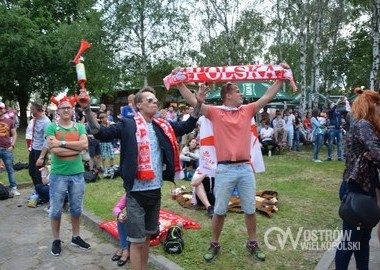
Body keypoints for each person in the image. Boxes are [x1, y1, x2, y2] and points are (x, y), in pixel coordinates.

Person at [176, 63, 291, 263]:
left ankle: (252, 242)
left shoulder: (246, 110)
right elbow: (193, 100)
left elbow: (267, 97)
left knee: (250, 209)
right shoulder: (215, 112)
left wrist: (281, 77)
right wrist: (179, 84)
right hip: (225, 169)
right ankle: (214, 244)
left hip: (245, 168)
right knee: (219, 210)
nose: (241, 95)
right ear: (227, 95)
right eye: (237, 91)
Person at [79, 86, 203, 270]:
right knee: (136, 242)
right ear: (139, 105)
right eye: (150, 100)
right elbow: (100, 133)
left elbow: (187, 125)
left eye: (155, 100)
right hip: (136, 193)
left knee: (146, 238)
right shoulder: (128, 125)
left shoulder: (162, 126)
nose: (155, 103)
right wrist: (87, 109)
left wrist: (199, 102)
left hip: (155, 191)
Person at [335, 88, 380, 270]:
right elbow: (378, 154)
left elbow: (375, 154)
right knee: (350, 242)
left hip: (364, 188)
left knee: (362, 241)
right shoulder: (364, 126)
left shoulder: (368, 127)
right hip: (356, 187)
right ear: (372, 105)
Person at [46, 96, 90, 256]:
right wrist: (77, 149)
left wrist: (62, 143)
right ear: (57, 111)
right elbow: (54, 151)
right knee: (56, 210)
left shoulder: (79, 127)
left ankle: (76, 237)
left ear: (73, 110)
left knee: (76, 208)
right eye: (62, 107)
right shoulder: (52, 128)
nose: (66, 110)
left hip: (77, 174)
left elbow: (85, 145)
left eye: (68, 107)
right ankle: (56, 240)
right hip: (58, 175)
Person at [28, 102, 51, 187]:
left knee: (39, 174)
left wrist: (41, 157)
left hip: (40, 151)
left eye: (32, 109)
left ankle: (41, 193)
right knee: (31, 172)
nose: (30, 111)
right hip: (33, 149)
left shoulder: (46, 122)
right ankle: (38, 190)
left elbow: (47, 141)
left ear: (36, 110)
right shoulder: (35, 119)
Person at [0, 102, 20, 196]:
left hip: (6, 149)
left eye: (1, 108)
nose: (0, 110)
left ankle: (13, 188)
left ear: (4, 109)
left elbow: (14, 134)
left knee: (10, 169)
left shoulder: (9, 121)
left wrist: (12, 145)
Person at [112, 194, 130, 267]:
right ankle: (124, 248)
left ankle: (124, 248)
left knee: (127, 218)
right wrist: (119, 214)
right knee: (122, 218)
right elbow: (117, 207)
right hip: (132, 219)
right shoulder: (129, 194)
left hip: (144, 221)